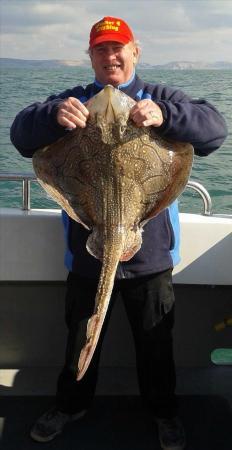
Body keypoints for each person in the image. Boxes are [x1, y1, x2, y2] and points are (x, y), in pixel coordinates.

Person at [10, 16, 227, 450]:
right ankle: (70, 404)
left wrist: (167, 115)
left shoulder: (160, 96)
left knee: (155, 343)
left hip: (150, 256)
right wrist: (54, 116)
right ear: (90, 57)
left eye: (118, 48)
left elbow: (214, 130)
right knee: (79, 336)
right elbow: (21, 134)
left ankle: (164, 413)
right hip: (88, 252)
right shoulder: (73, 100)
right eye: (101, 49)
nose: (111, 56)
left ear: (134, 52)